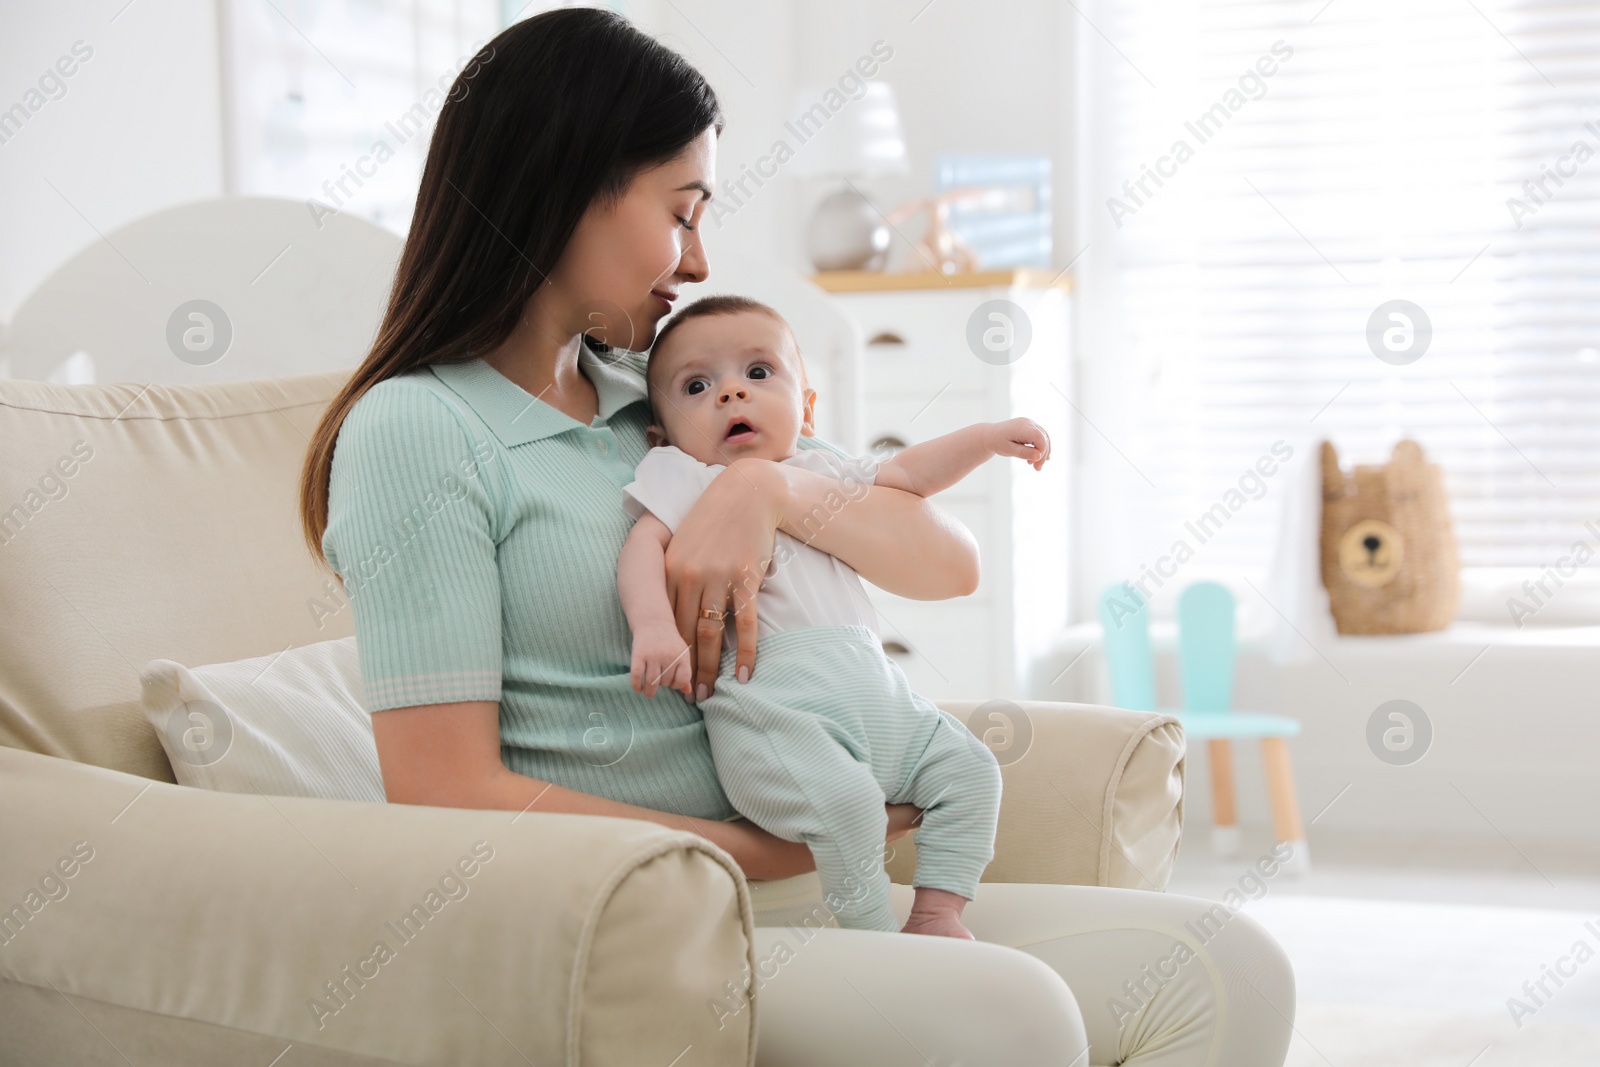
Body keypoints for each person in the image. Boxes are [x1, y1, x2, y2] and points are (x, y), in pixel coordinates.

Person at [298, 8, 1295, 1065]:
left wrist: (767, 491)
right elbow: (444, 793)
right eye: (680, 212)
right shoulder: (416, 430)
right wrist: (751, 852)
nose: (696, 256)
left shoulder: (669, 391)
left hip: (826, 873)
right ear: (564, 188)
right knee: (1013, 1018)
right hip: (644, 923)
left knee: (1224, 965)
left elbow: (943, 563)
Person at [617, 293, 1051, 937]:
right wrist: (654, 627)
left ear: (808, 406)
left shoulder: (822, 469)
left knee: (971, 769)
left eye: (758, 373)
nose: (732, 394)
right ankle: (873, 934)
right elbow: (642, 548)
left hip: (876, 693)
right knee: (848, 809)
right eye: (698, 386)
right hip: (773, 708)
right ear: (663, 434)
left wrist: (986, 439)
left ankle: (936, 912)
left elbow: (908, 474)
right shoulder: (684, 475)